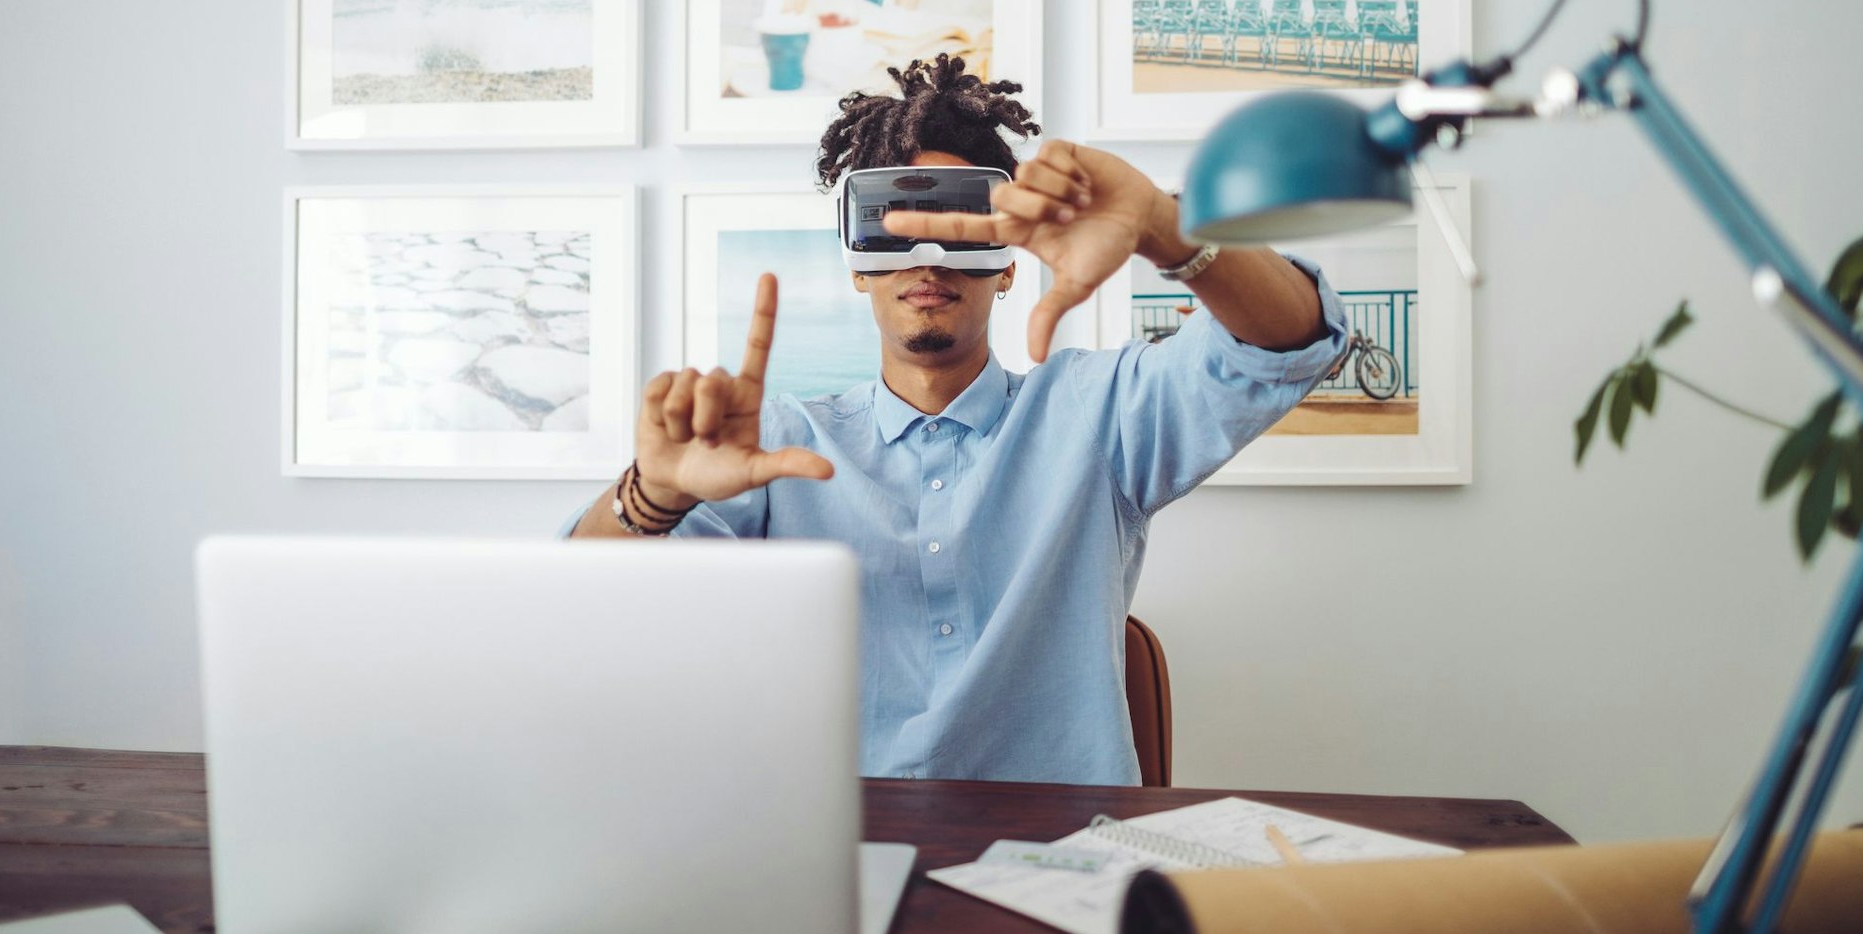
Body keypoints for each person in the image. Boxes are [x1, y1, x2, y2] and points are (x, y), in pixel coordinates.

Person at [569, 54, 1347, 785]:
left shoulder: (1098, 415)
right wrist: (655, 493)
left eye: (962, 222)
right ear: (857, 259)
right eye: (896, 225)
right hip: (837, 848)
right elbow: (575, 607)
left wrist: (1160, 225)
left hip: (1067, 852)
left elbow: (1290, 342)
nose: (930, 252)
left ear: (1010, 261)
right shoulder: (773, 448)